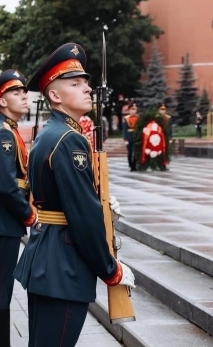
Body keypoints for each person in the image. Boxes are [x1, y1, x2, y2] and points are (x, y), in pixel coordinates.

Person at [14, 43, 135, 347]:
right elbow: (82, 216)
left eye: (86, 83)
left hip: (47, 256)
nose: (87, 89)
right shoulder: (70, 140)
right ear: (55, 95)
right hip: (63, 266)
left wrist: (101, 201)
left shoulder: (53, 134)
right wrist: (111, 269)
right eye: (76, 84)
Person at [0, 70, 37, 346]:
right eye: (16, 92)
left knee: (2, 287)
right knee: (1, 288)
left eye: (24, 92)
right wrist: (28, 214)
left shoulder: (9, 130)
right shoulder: (2, 134)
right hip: (4, 217)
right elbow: (6, 185)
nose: (24, 96)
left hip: (3, 217)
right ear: (2, 102)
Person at [122, 102, 139, 171]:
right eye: (132, 109)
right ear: (129, 110)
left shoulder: (138, 118)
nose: (133, 111)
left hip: (136, 136)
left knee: (136, 152)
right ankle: (131, 164)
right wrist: (125, 138)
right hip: (129, 137)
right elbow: (124, 129)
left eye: (135, 109)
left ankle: (135, 165)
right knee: (130, 151)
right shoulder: (126, 118)